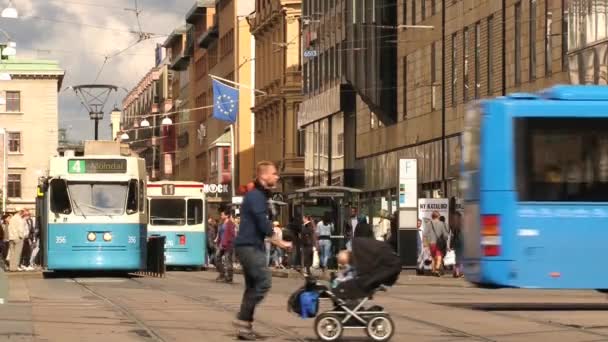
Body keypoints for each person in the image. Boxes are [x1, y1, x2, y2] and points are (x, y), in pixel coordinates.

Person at [233, 161, 291, 340]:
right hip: (249, 247)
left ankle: (245, 328)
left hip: (249, 246)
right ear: (263, 176)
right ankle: (242, 318)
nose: (277, 176)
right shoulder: (256, 196)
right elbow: (262, 223)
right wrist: (280, 242)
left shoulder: (259, 195)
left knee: (252, 287)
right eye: (274, 173)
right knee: (264, 282)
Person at [423, 211, 450, 277]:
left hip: (431, 243)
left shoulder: (428, 223)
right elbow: (445, 235)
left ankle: (433, 270)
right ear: (438, 216)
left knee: (433, 257)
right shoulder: (442, 224)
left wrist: (425, 243)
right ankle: (437, 269)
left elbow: (425, 234)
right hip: (438, 243)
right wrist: (445, 239)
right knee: (439, 256)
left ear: (432, 216)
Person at [217, 209, 236, 283]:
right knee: (217, 258)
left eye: (222, 214)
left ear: (227, 215)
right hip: (221, 244)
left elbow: (233, 234)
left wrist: (229, 242)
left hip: (228, 245)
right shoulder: (222, 223)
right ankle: (222, 273)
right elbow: (220, 233)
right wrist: (217, 240)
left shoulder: (230, 223)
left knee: (228, 261)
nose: (221, 216)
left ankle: (229, 277)